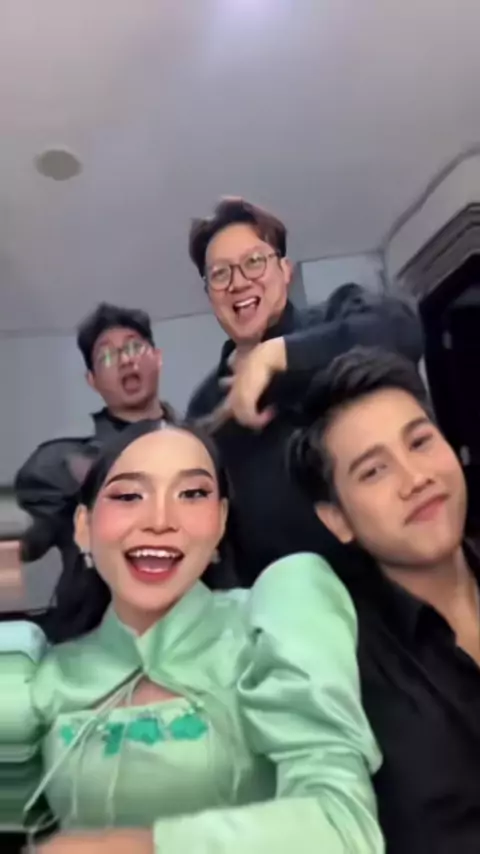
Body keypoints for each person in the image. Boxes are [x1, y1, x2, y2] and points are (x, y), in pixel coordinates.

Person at [1, 421, 383, 853]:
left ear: (220, 521)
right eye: (129, 496)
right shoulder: (40, 675)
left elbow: (344, 828)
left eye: (192, 494)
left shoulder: (277, 619)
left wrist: (138, 847)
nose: (160, 521)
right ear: (83, 526)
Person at [289, 346, 480, 853]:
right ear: (337, 519)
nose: (416, 479)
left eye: (420, 442)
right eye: (374, 471)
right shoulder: (340, 665)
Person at [187, 197, 423, 585]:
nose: (238, 282)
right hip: (286, 607)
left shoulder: (339, 314)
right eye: (220, 273)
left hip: (399, 583)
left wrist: (279, 356)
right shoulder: (205, 405)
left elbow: (402, 332)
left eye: (254, 261)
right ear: (210, 294)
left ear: (285, 271)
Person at [10, 303, 175, 637]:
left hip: (190, 629)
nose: (126, 360)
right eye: (108, 356)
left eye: (134, 347)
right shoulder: (63, 461)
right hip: (95, 636)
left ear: (157, 357)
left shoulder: (199, 446)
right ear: (92, 380)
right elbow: (24, 539)